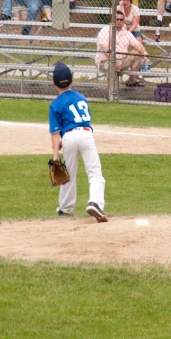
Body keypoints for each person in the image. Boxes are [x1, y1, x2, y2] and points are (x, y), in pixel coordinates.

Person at [48, 62, 107, 223]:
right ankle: (95, 202)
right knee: (95, 174)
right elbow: (81, 121)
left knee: (68, 174)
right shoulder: (81, 97)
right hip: (86, 135)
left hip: (68, 137)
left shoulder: (55, 104)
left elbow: (55, 133)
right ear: (72, 80)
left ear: (54, 83)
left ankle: (65, 209)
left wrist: (55, 156)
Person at [95, 11, 147, 87]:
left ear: (124, 21)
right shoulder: (105, 31)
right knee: (113, 66)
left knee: (138, 53)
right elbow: (105, 49)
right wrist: (114, 60)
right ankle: (112, 93)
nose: (119, 21)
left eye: (121, 19)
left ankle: (131, 80)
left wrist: (144, 53)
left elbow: (137, 45)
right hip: (106, 60)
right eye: (117, 19)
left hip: (123, 60)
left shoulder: (126, 33)